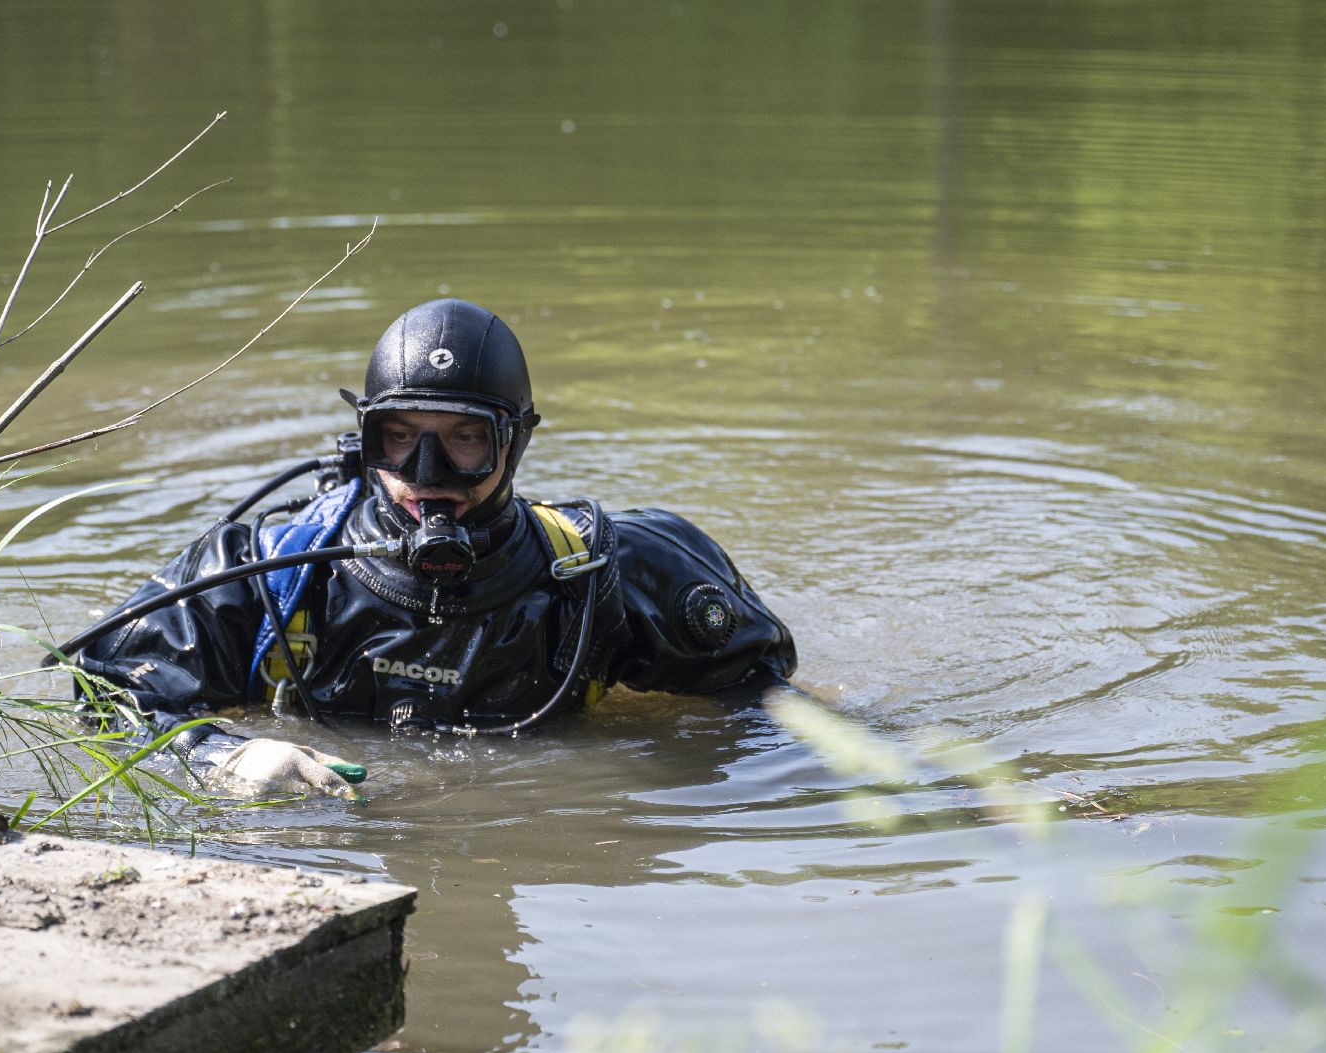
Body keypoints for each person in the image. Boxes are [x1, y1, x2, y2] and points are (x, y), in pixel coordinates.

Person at [68, 298, 796, 796]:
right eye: (399, 437)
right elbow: (105, 691)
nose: (426, 475)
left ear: (514, 442)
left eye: (465, 439)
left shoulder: (605, 573)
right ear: (367, 437)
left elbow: (769, 707)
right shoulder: (265, 571)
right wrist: (219, 754)